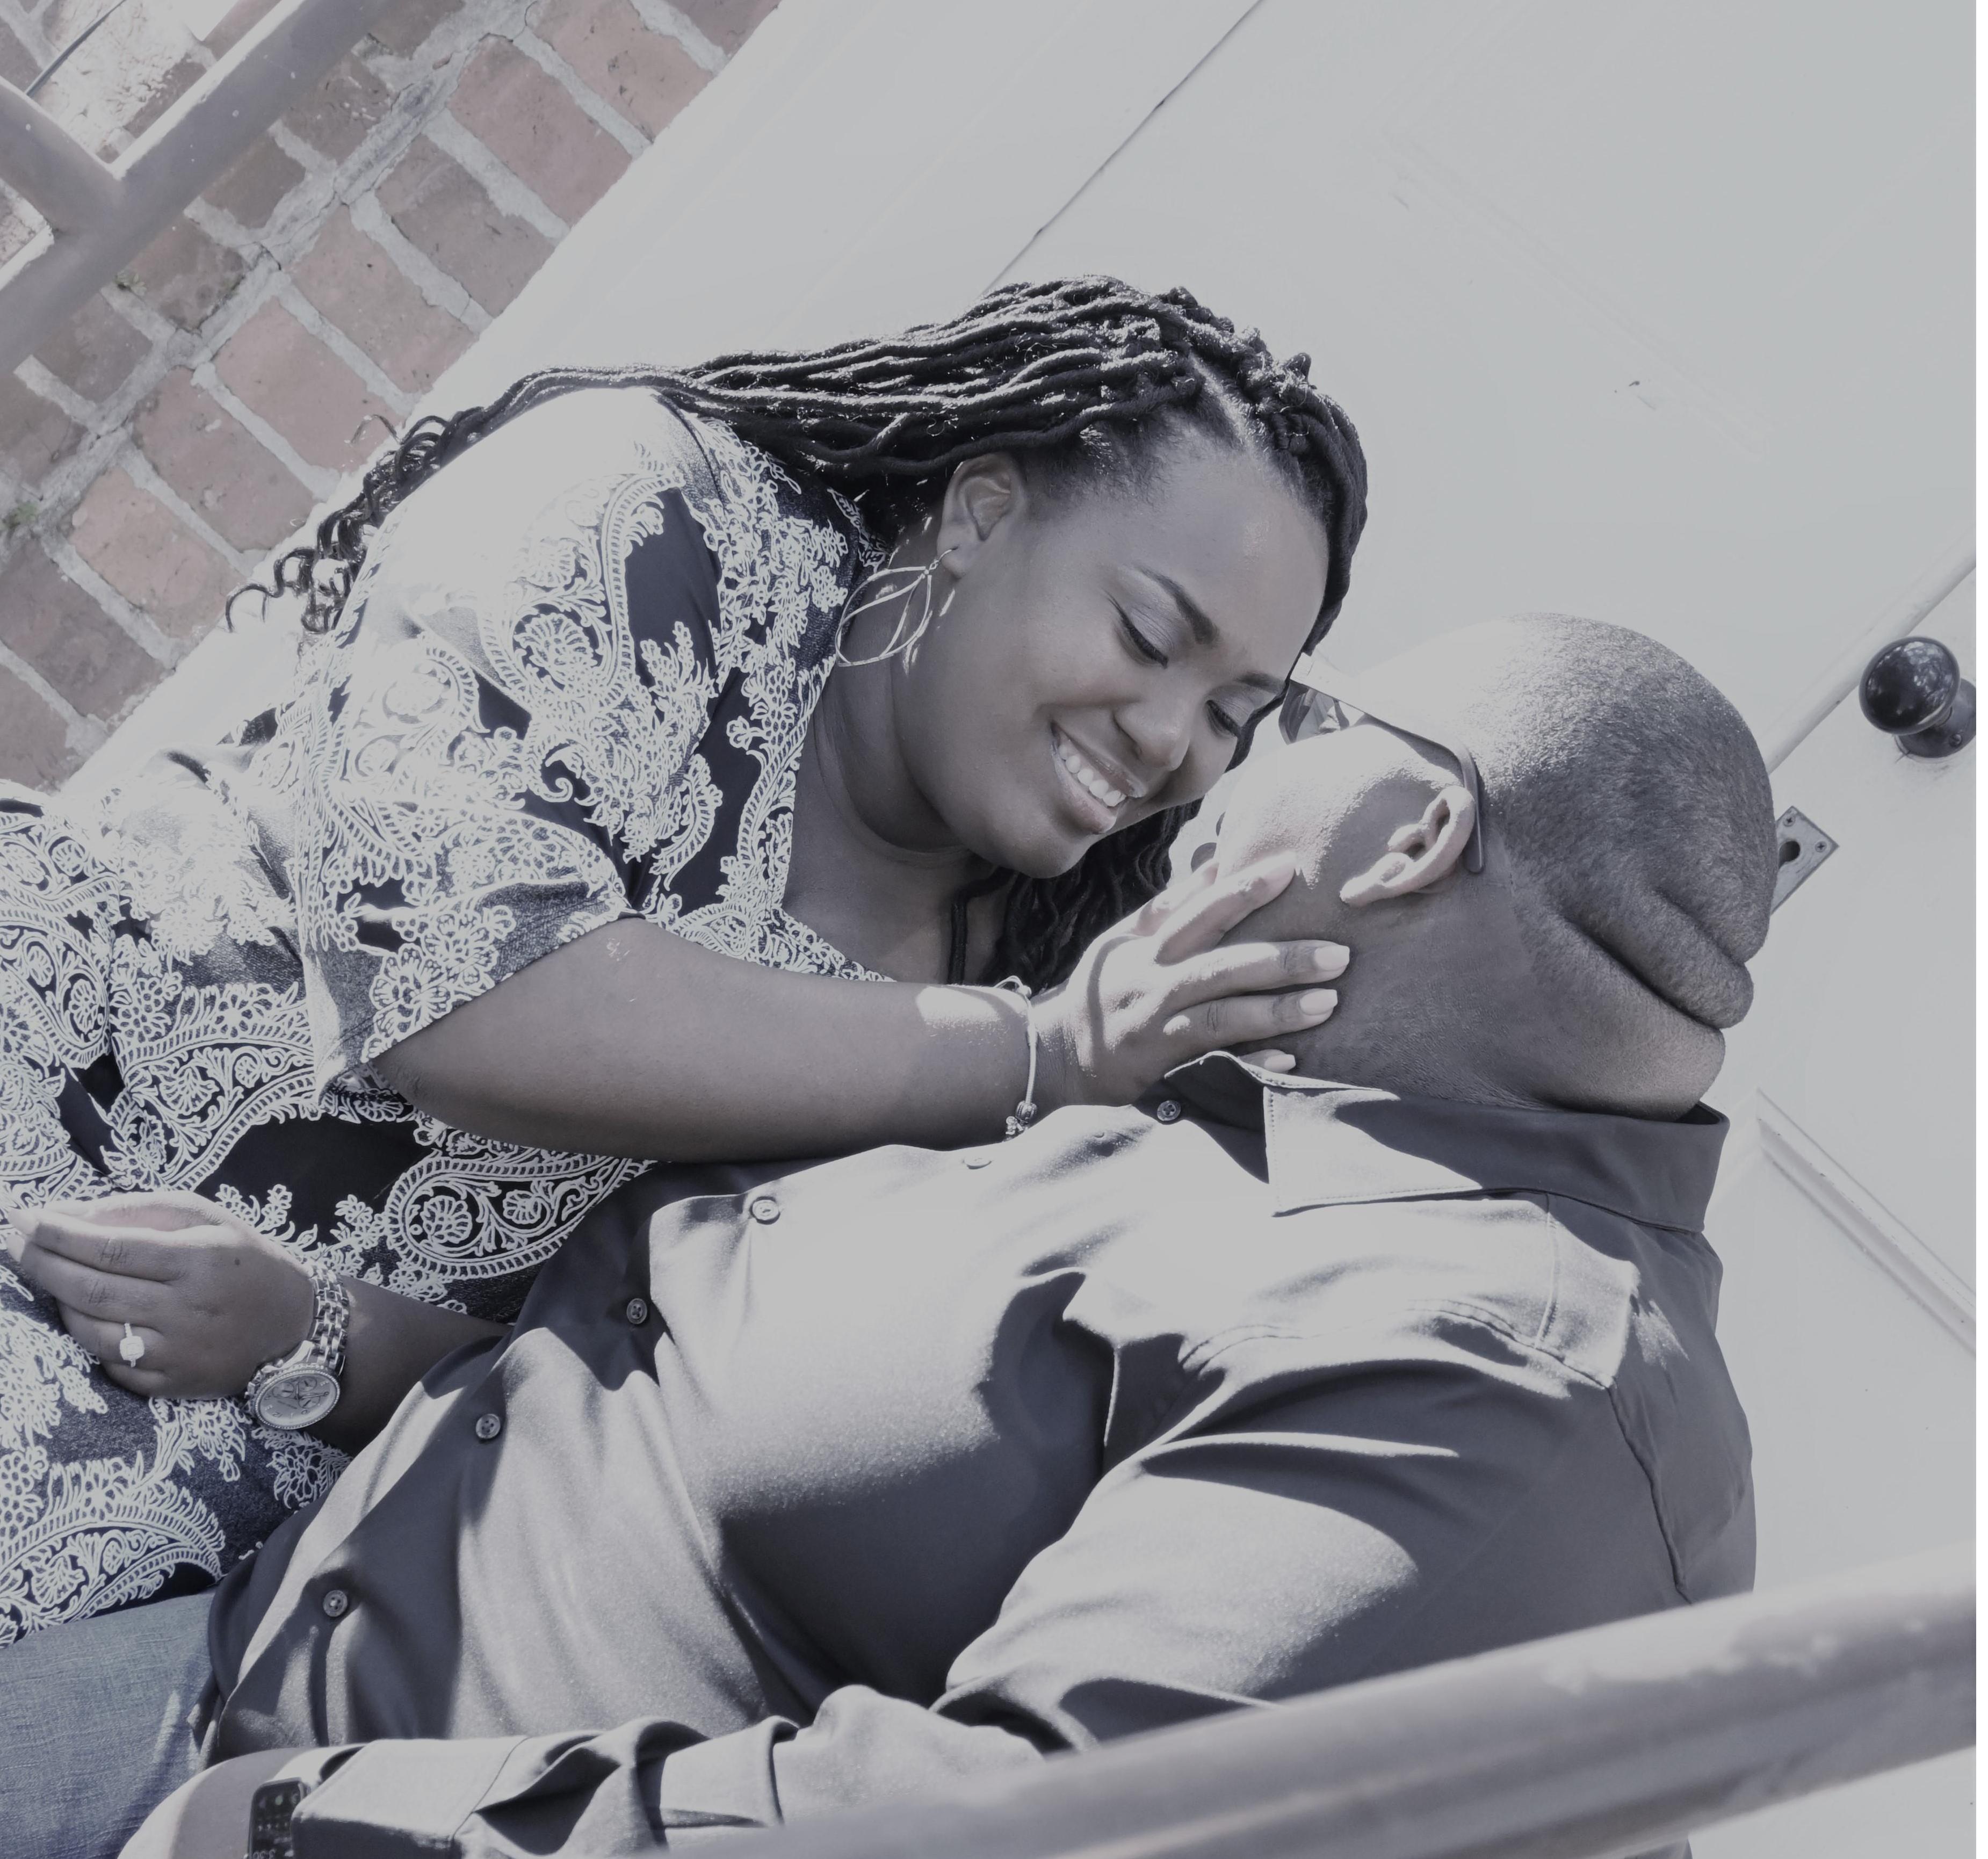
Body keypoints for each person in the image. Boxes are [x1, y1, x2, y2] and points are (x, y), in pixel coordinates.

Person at [0, 611, 1776, 1859]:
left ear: (1414, 829)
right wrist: (326, 1343)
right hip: (210, 1682)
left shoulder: (1511, 1377)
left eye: (1298, 722)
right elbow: (701, 1425)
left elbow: (1023, 1826)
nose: (1216, 773)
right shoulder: (1226, 1100)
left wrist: (307, 1830)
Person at [0, 278, 1369, 1639]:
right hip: (46, 1063)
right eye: (1148, 637)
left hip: (207, 1512)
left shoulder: (1043, 1009)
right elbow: (460, 986)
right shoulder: (654, 513)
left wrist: (312, 1336)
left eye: (1232, 714)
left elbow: (650, 1422)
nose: (1168, 738)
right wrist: (1034, 1057)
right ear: (982, 512)